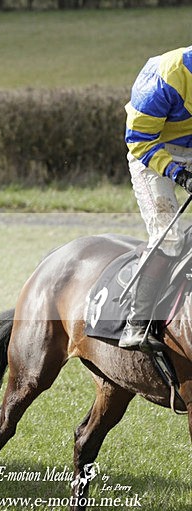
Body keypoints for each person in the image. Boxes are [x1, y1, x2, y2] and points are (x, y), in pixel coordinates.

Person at [121, 45, 192, 350]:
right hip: (153, 154)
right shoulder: (166, 76)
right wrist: (179, 174)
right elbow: (138, 140)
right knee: (170, 236)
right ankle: (137, 322)